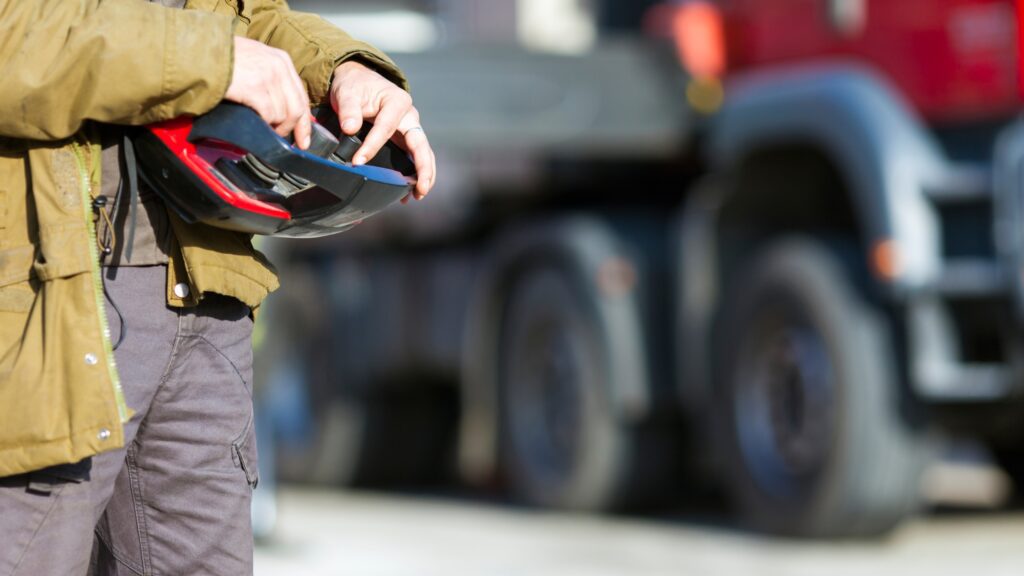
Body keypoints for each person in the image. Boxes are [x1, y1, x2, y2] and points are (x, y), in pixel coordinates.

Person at [0, 0, 435, 574]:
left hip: (203, 297)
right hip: (41, 303)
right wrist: (209, 59)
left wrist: (340, 71)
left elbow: (241, 12)